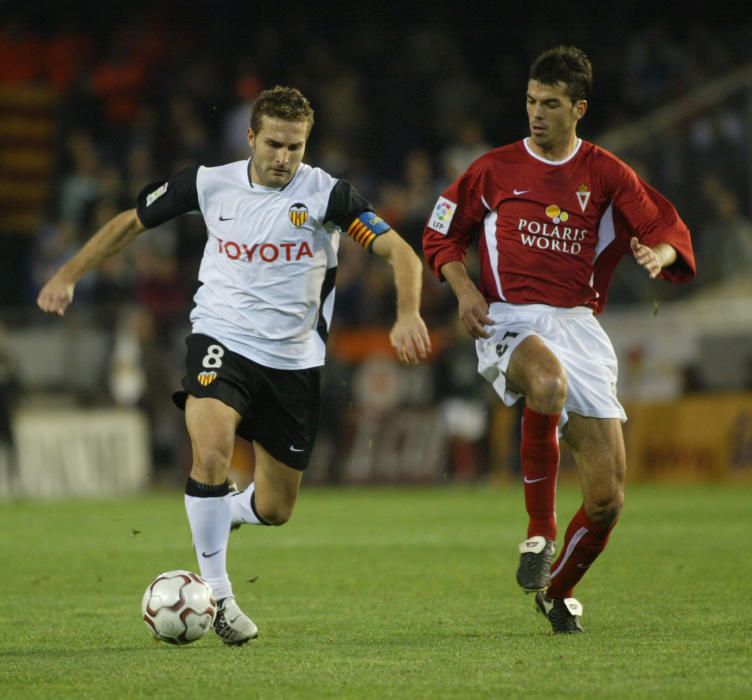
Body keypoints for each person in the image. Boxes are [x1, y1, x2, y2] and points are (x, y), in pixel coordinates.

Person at [38, 85, 432, 645]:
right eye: (274, 144)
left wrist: (408, 312)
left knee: (276, 507)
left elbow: (400, 251)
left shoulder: (327, 197)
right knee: (213, 450)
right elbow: (131, 222)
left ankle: (221, 516)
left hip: (293, 362)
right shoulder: (209, 183)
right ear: (250, 137)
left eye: (296, 147)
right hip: (221, 337)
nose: (284, 158)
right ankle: (219, 596)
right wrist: (69, 274)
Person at [423, 46, 695, 633]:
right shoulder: (492, 169)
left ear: (579, 109)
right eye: (530, 101)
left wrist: (661, 252)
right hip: (509, 318)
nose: (536, 114)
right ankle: (538, 534)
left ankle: (558, 590)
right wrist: (465, 291)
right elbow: (441, 234)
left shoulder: (605, 172)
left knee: (607, 500)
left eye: (550, 104)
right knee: (546, 383)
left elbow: (664, 227)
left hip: (579, 326)